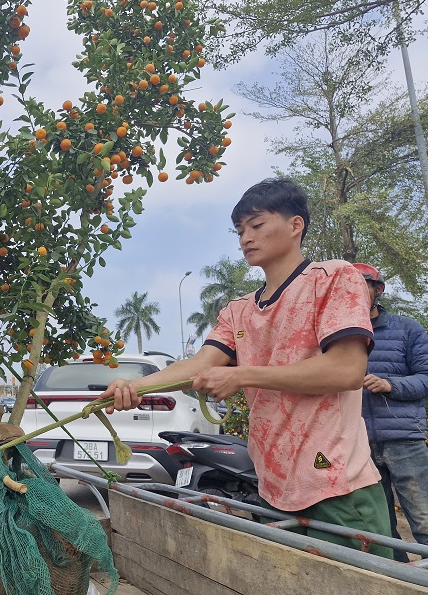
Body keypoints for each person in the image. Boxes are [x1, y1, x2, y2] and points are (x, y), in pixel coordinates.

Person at [105, 178, 393, 557]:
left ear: (295, 226)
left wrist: (241, 375)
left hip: (337, 484)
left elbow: (346, 370)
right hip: (272, 483)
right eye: (240, 230)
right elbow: (201, 363)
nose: (245, 238)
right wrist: (135, 386)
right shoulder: (239, 309)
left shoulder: (332, 278)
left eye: (256, 226)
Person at [353, 262, 428, 562]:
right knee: (381, 524)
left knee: (423, 516)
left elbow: (425, 378)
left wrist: (389, 384)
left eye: (362, 287)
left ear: (377, 290)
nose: (354, 294)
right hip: (359, 444)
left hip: (404, 440)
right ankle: (400, 581)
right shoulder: (339, 336)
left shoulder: (407, 329)